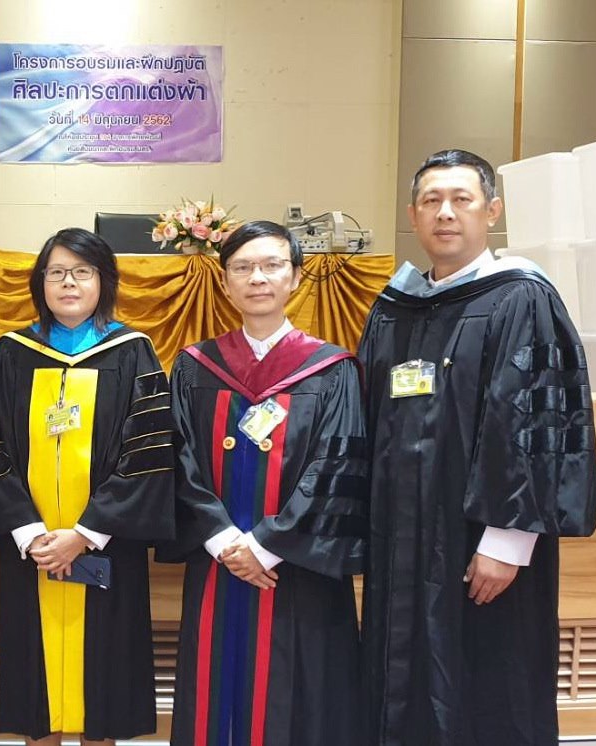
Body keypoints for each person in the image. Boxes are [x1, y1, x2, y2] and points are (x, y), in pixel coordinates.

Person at [358, 149, 596, 745]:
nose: (446, 213)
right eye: (431, 201)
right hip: (402, 538)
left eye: (461, 199)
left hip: (481, 541)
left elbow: (538, 421)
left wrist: (508, 540)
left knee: (489, 678)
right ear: (413, 216)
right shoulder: (393, 308)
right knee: (402, 675)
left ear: (491, 211)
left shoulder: (522, 298)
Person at [158, 220, 367, 745]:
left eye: (272, 265)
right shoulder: (195, 367)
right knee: (216, 683)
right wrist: (224, 539)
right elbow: (177, 456)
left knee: (297, 695)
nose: (258, 278)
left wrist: (268, 545)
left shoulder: (331, 370)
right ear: (225, 281)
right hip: (218, 560)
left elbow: (336, 465)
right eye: (243, 267)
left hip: (297, 569)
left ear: (295, 277)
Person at [0, 227, 175, 745]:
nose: (69, 283)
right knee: (34, 682)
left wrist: (85, 534)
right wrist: (28, 530)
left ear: (103, 281)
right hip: (32, 548)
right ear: (40, 282)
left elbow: (148, 451)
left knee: (103, 679)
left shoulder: (133, 352)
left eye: (82, 272)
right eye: (56, 272)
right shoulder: (12, 353)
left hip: (105, 545)